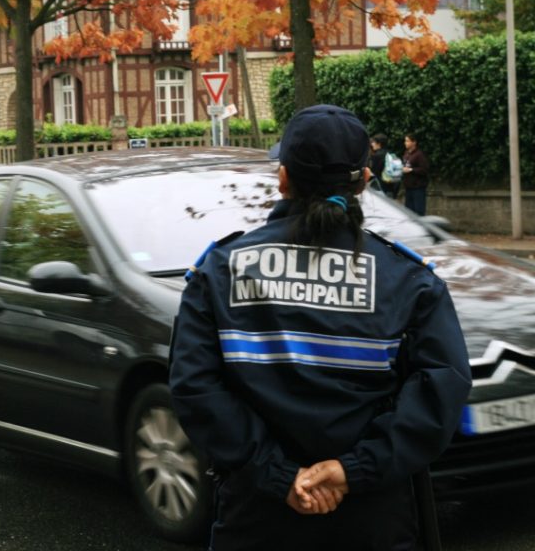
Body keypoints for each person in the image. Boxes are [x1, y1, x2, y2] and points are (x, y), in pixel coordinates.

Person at [169, 105, 472, 550]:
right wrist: (354, 470)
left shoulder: (220, 269)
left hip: (256, 518)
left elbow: (194, 386)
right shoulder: (408, 278)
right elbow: (442, 387)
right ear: (365, 183)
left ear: (283, 177)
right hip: (374, 521)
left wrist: (277, 475)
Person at [402, 132, 430, 216]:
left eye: (407, 141)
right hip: (408, 187)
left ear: (414, 142)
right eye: (405, 141)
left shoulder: (419, 155)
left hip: (418, 188)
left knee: (418, 212)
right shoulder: (406, 154)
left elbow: (424, 170)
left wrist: (411, 170)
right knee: (408, 212)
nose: (405, 143)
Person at [368, 133, 398, 199]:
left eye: (374, 142)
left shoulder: (376, 156)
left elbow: (373, 173)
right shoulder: (391, 154)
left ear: (379, 144)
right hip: (390, 188)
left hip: (379, 188)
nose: (372, 144)